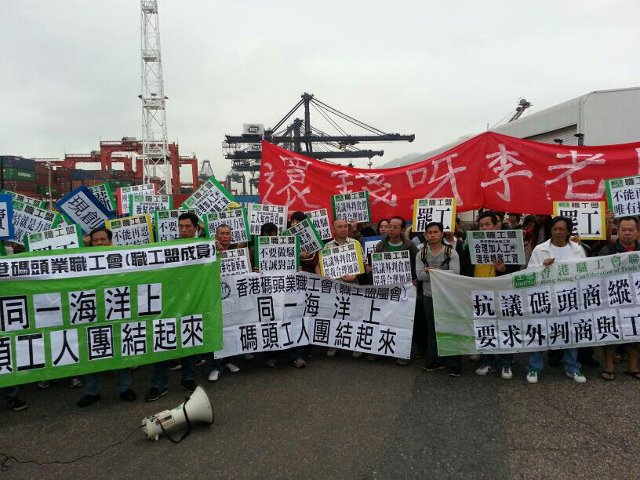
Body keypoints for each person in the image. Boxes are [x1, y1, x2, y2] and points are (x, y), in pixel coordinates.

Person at [145, 213, 201, 402]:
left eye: (188, 226)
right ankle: (159, 384)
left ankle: (188, 379)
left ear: (196, 228)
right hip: (169, 303)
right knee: (164, 341)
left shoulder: (204, 247)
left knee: (190, 339)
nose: (183, 230)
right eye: (181, 226)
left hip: (193, 301)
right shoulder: (169, 247)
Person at [77, 227, 137, 407]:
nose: (99, 243)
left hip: (116, 309)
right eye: (95, 240)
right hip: (91, 311)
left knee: (121, 348)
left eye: (103, 239)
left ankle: (125, 388)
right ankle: (92, 391)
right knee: (90, 350)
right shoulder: (82, 260)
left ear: (110, 241)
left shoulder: (121, 258)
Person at [526, 216, 587, 384]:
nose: (558, 232)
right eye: (555, 229)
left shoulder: (578, 249)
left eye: (562, 229)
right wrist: (542, 267)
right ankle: (534, 367)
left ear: (568, 231)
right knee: (539, 331)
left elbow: (585, 271)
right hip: (545, 298)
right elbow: (529, 273)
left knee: (571, 332)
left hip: (570, 299)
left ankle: (572, 367)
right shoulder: (540, 249)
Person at [466, 211, 521, 381]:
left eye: (487, 224)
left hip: (503, 292)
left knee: (505, 327)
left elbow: (517, 268)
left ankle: (506, 363)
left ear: (497, 225)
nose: (484, 228)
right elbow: (466, 267)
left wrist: (505, 269)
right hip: (481, 291)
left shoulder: (508, 242)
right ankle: (487, 361)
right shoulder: (473, 243)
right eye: (481, 225)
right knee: (485, 327)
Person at [416, 222, 461, 376]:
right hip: (429, 295)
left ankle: (454, 363)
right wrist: (435, 273)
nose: (432, 235)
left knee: (451, 328)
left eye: (436, 232)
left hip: (448, 296)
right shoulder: (421, 254)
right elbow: (419, 276)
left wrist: (432, 272)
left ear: (442, 234)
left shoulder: (451, 252)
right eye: (429, 232)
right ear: (425, 235)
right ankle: (436, 359)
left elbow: (456, 273)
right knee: (432, 329)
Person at [598, 215, 640, 381]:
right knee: (611, 332)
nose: (627, 233)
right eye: (623, 230)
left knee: (635, 331)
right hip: (613, 299)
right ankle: (609, 367)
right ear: (618, 231)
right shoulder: (607, 251)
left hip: (636, 300)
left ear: (637, 232)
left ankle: (633, 367)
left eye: (631, 230)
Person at [374, 216, 419, 365]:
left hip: (405, 290)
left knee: (403, 321)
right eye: (389, 226)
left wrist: (415, 280)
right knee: (385, 318)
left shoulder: (410, 246)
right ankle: (381, 350)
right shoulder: (381, 245)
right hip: (387, 290)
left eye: (395, 227)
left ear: (402, 229)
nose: (391, 229)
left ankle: (403, 352)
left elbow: (418, 264)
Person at [316, 218, 363, 357]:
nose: (343, 229)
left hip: (352, 284)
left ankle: (355, 344)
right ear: (333, 229)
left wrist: (355, 276)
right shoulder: (326, 246)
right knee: (334, 314)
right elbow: (319, 265)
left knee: (354, 315)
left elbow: (362, 264)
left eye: (345, 226)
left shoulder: (355, 243)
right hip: (334, 287)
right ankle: (334, 343)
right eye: (340, 227)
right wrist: (322, 277)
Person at [208, 223, 241, 381]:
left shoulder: (237, 252)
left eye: (228, 233)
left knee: (232, 328)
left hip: (233, 298)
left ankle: (228, 361)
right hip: (215, 297)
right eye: (222, 233)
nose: (225, 236)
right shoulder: (210, 251)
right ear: (216, 235)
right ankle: (215, 366)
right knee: (217, 331)